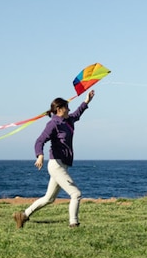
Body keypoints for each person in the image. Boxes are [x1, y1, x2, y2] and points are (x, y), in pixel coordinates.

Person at [14, 89, 94, 228]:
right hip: (55, 165)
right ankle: (73, 223)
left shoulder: (68, 121)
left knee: (49, 199)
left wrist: (87, 101)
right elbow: (39, 141)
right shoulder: (53, 124)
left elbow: (78, 113)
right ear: (59, 109)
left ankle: (23, 215)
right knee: (76, 194)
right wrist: (40, 155)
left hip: (63, 165)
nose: (69, 109)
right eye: (66, 107)